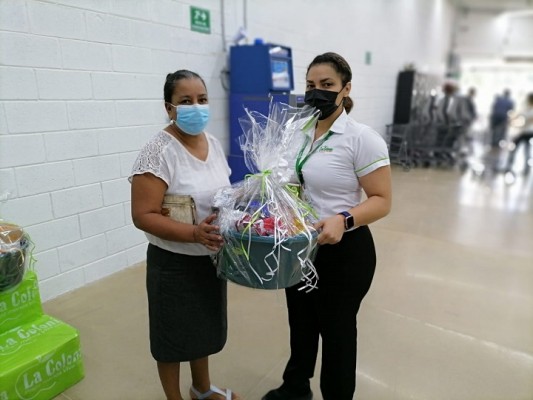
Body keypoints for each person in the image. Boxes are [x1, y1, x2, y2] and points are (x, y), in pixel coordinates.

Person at [262, 52, 392, 400]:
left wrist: (343, 219)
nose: (316, 91)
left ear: (345, 89)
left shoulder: (361, 138)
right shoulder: (299, 131)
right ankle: (295, 387)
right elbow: (291, 180)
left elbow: (382, 200)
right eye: (310, 85)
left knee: (336, 333)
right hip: (300, 246)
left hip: (344, 250)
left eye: (326, 85)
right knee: (301, 323)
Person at [129, 70, 240, 400]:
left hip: (209, 258)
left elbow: (221, 194)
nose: (197, 107)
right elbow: (142, 215)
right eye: (186, 101)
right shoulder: (158, 152)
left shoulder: (214, 143)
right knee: (171, 338)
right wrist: (193, 233)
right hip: (173, 263)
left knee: (202, 329)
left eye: (202, 100)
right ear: (169, 107)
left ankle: (202, 390)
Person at [505, 92, 533, 176]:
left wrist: (516, 124)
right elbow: (517, 116)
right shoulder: (526, 108)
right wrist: (512, 120)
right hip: (526, 132)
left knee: (522, 150)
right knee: (525, 150)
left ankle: (511, 167)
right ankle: (510, 167)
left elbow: (527, 121)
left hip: (527, 133)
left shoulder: (529, 110)